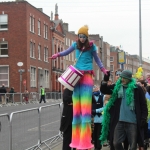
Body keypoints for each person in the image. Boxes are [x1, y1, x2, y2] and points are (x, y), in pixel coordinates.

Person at [49, 25, 107, 150]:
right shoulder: (75, 45)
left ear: (86, 37)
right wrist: (57, 55)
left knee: (85, 110)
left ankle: (85, 142)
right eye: (80, 36)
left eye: (83, 36)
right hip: (76, 76)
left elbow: (97, 60)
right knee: (76, 110)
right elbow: (66, 52)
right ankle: (76, 141)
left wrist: (103, 70)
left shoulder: (92, 47)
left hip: (86, 76)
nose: (81, 38)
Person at [100, 70, 148, 150]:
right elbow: (104, 90)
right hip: (119, 121)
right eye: (121, 77)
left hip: (133, 122)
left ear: (129, 79)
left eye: (124, 78)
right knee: (116, 143)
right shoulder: (117, 87)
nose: (122, 79)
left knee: (132, 146)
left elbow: (143, 105)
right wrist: (105, 79)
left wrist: (143, 117)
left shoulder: (137, 88)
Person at [92, 85, 104, 150]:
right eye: (94, 88)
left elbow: (105, 107)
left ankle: (98, 147)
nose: (95, 89)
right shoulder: (91, 96)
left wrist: (96, 111)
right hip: (92, 119)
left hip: (100, 118)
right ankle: (95, 146)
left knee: (99, 134)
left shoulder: (103, 96)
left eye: (96, 87)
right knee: (94, 134)